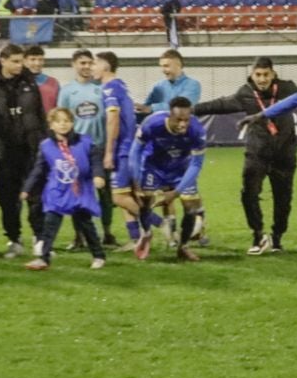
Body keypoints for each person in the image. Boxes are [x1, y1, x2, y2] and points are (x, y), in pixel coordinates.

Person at [194, 56, 297, 255]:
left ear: (273, 74)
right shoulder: (245, 93)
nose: (262, 79)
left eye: (266, 74)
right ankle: (258, 234)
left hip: (284, 154)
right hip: (257, 153)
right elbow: (221, 104)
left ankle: (277, 238)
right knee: (249, 193)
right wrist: (192, 109)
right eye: (258, 75)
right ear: (252, 75)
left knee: (283, 199)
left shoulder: (287, 88)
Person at [0, 42, 47, 258]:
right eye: (15, 61)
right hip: (5, 152)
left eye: (21, 61)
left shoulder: (29, 82)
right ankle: (14, 239)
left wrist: (43, 141)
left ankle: (39, 237)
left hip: (31, 148)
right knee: (7, 198)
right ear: (3, 61)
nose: (19, 65)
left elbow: (39, 114)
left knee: (36, 194)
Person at [21, 107, 107, 271]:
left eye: (66, 121)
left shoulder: (85, 142)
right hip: (57, 191)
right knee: (50, 225)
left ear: (73, 123)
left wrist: (98, 175)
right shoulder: (46, 146)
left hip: (79, 191)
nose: (63, 124)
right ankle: (43, 258)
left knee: (85, 224)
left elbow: (95, 160)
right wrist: (27, 188)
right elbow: (39, 169)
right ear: (51, 125)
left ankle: (98, 255)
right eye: (58, 121)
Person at [94, 50, 158, 256]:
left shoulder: (110, 88)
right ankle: (136, 238)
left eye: (95, 63)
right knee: (126, 194)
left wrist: (109, 151)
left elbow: (113, 120)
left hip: (122, 149)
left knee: (118, 198)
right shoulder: (120, 85)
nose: (92, 68)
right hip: (130, 147)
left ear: (105, 66)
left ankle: (159, 222)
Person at [130, 96, 209, 260]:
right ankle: (146, 233)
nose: (183, 124)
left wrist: (176, 192)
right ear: (169, 116)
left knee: (191, 207)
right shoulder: (152, 123)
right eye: (178, 120)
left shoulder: (197, 130)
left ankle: (183, 247)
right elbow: (136, 151)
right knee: (145, 201)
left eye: (186, 120)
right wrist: (135, 181)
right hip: (154, 167)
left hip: (181, 169)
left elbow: (196, 164)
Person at [142, 49, 206, 244]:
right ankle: (172, 232)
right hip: (163, 146)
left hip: (185, 145)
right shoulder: (158, 87)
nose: (164, 70)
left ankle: (200, 227)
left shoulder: (192, 85)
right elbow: (147, 108)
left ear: (179, 64)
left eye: (167, 65)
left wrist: (153, 108)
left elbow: (184, 107)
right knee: (165, 191)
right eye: (162, 66)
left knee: (189, 193)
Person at [55, 49, 110, 247]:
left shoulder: (101, 88)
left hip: (100, 146)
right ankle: (79, 236)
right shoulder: (67, 91)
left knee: (105, 193)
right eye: (82, 63)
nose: (86, 66)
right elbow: (61, 119)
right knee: (77, 193)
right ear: (74, 65)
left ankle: (107, 233)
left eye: (89, 63)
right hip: (77, 149)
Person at [23, 44, 59, 112]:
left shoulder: (53, 82)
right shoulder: (18, 82)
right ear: (25, 61)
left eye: (40, 59)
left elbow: (59, 108)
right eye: (32, 59)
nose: (37, 63)